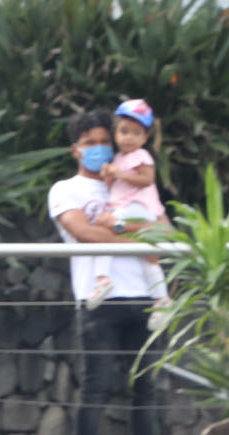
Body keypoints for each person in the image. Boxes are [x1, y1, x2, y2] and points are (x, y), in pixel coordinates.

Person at [48, 111, 161, 435]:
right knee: (96, 383)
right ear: (75, 150)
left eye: (103, 141)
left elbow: (165, 228)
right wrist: (138, 238)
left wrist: (114, 227)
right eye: (89, 143)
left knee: (146, 384)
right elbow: (81, 232)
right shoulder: (66, 190)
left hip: (145, 296)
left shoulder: (131, 184)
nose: (99, 149)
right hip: (100, 299)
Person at [85, 100, 169, 310]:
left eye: (136, 133)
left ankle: (102, 279)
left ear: (145, 138)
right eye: (124, 131)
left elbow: (147, 180)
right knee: (148, 257)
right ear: (115, 133)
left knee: (103, 229)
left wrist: (119, 173)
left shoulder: (141, 156)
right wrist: (109, 176)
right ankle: (162, 298)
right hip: (128, 207)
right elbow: (118, 186)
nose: (129, 137)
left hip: (137, 207)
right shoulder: (119, 158)